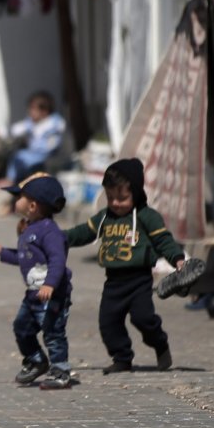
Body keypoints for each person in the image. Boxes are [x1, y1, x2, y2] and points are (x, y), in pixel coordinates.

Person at [62, 158, 189, 373]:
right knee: (108, 323)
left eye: (122, 198)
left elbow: (164, 241)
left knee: (143, 318)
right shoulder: (105, 218)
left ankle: (159, 343)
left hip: (139, 280)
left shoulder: (147, 217)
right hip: (113, 283)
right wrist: (57, 238)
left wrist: (177, 259)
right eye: (110, 198)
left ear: (136, 193)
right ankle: (122, 358)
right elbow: (82, 232)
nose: (115, 203)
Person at [0, 173, 75, 390]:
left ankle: (60, 370)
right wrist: (2, 252)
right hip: (33, 295)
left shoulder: (50, 232)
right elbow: (25, 258)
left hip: (52, 294)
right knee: (22, 328)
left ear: (33, 205)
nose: (15, 201)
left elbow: (57, 261)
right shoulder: (30, 229)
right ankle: (36, 359)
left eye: (20, 197)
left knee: (53, 333)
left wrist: (50, 285)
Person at [5, 91, 68, 182]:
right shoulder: (31, 123)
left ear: (44, 111)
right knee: (18, 157)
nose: (30, 112)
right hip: (33, 154)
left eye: (33, 109)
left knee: (20, 157)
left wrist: (48, 146)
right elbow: (16, 129)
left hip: (47, 156)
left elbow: (54, 143)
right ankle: (16, 180)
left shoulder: (54, 123)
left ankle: (11, 180)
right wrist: (0, 131)